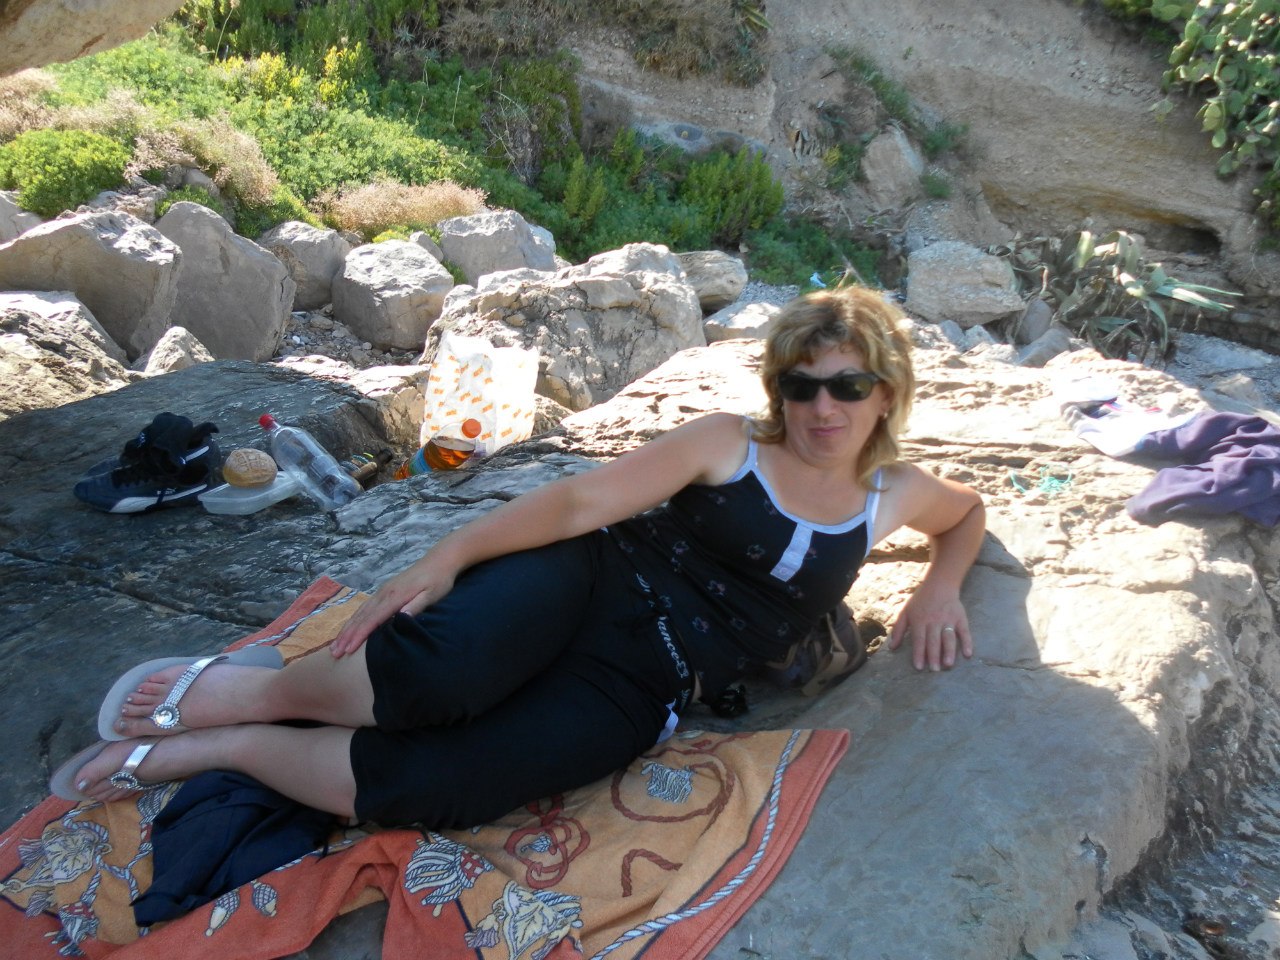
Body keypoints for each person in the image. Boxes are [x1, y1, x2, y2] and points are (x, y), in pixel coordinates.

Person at [57, 285, 986, 830]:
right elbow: (581, 502)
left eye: (849, 387)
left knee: (445, 787)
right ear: (779, 389)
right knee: (437, 675)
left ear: (886, 392)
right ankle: (255, 691)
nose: (823, 409)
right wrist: (447, 556)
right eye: (802, 386)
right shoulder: (728, 443)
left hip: (652, 678)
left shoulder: (892, 495)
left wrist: (942, 587)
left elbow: (969, 515)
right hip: (589, 577)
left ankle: (229, 746)